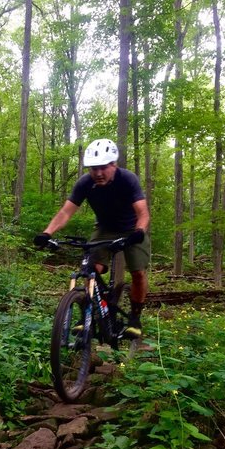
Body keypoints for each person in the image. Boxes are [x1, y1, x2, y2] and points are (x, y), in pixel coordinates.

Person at [34, 138, 150, 338]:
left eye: (103, 168)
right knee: (90, 270)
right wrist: (47, 233)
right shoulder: (85, 183)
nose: (98, 173)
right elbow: (65, 213)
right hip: (105, 228)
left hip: (132, 229)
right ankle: (87, 315)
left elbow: (143, 212)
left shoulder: (128, 179)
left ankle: (135, 317)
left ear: (114, 165)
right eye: (93, 168)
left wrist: (139, 231)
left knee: (138, 273)